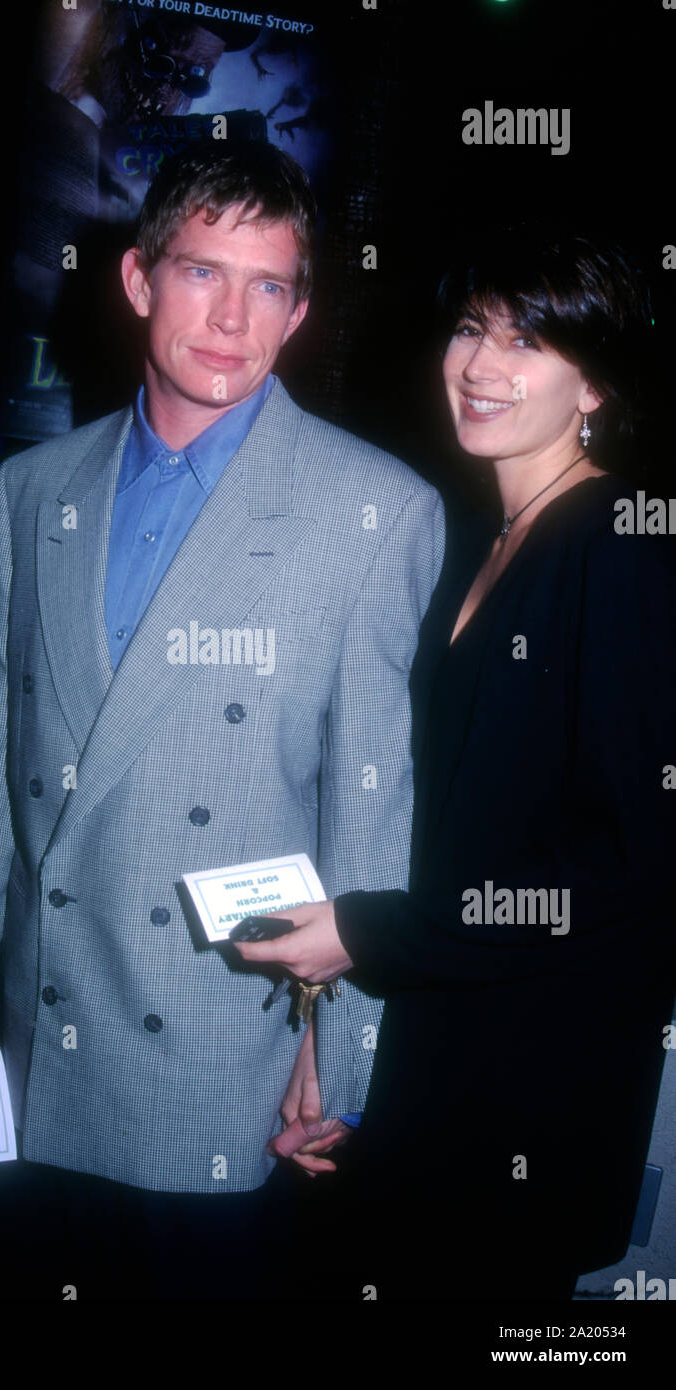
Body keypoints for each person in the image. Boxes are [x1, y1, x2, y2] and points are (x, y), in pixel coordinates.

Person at [0, 141, 445, 1300]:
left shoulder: (373, 511)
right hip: (28, 1033)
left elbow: (370, 813)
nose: (232, 319)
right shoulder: (35, 490)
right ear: (140, 279)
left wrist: (336, 1058)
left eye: (270, 287)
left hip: (218, 1047)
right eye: (203, 273)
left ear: (300, 311)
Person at [236, 226, 676, 1300]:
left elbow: (622, 870)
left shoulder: (622, 542)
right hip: (442, 1058)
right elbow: (443, 831)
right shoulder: (484, 544)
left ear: (597, 384)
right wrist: (338, 1048)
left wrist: (366, 932)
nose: (481, 365)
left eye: (527, 341)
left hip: (533, 1093)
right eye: (473, 328)